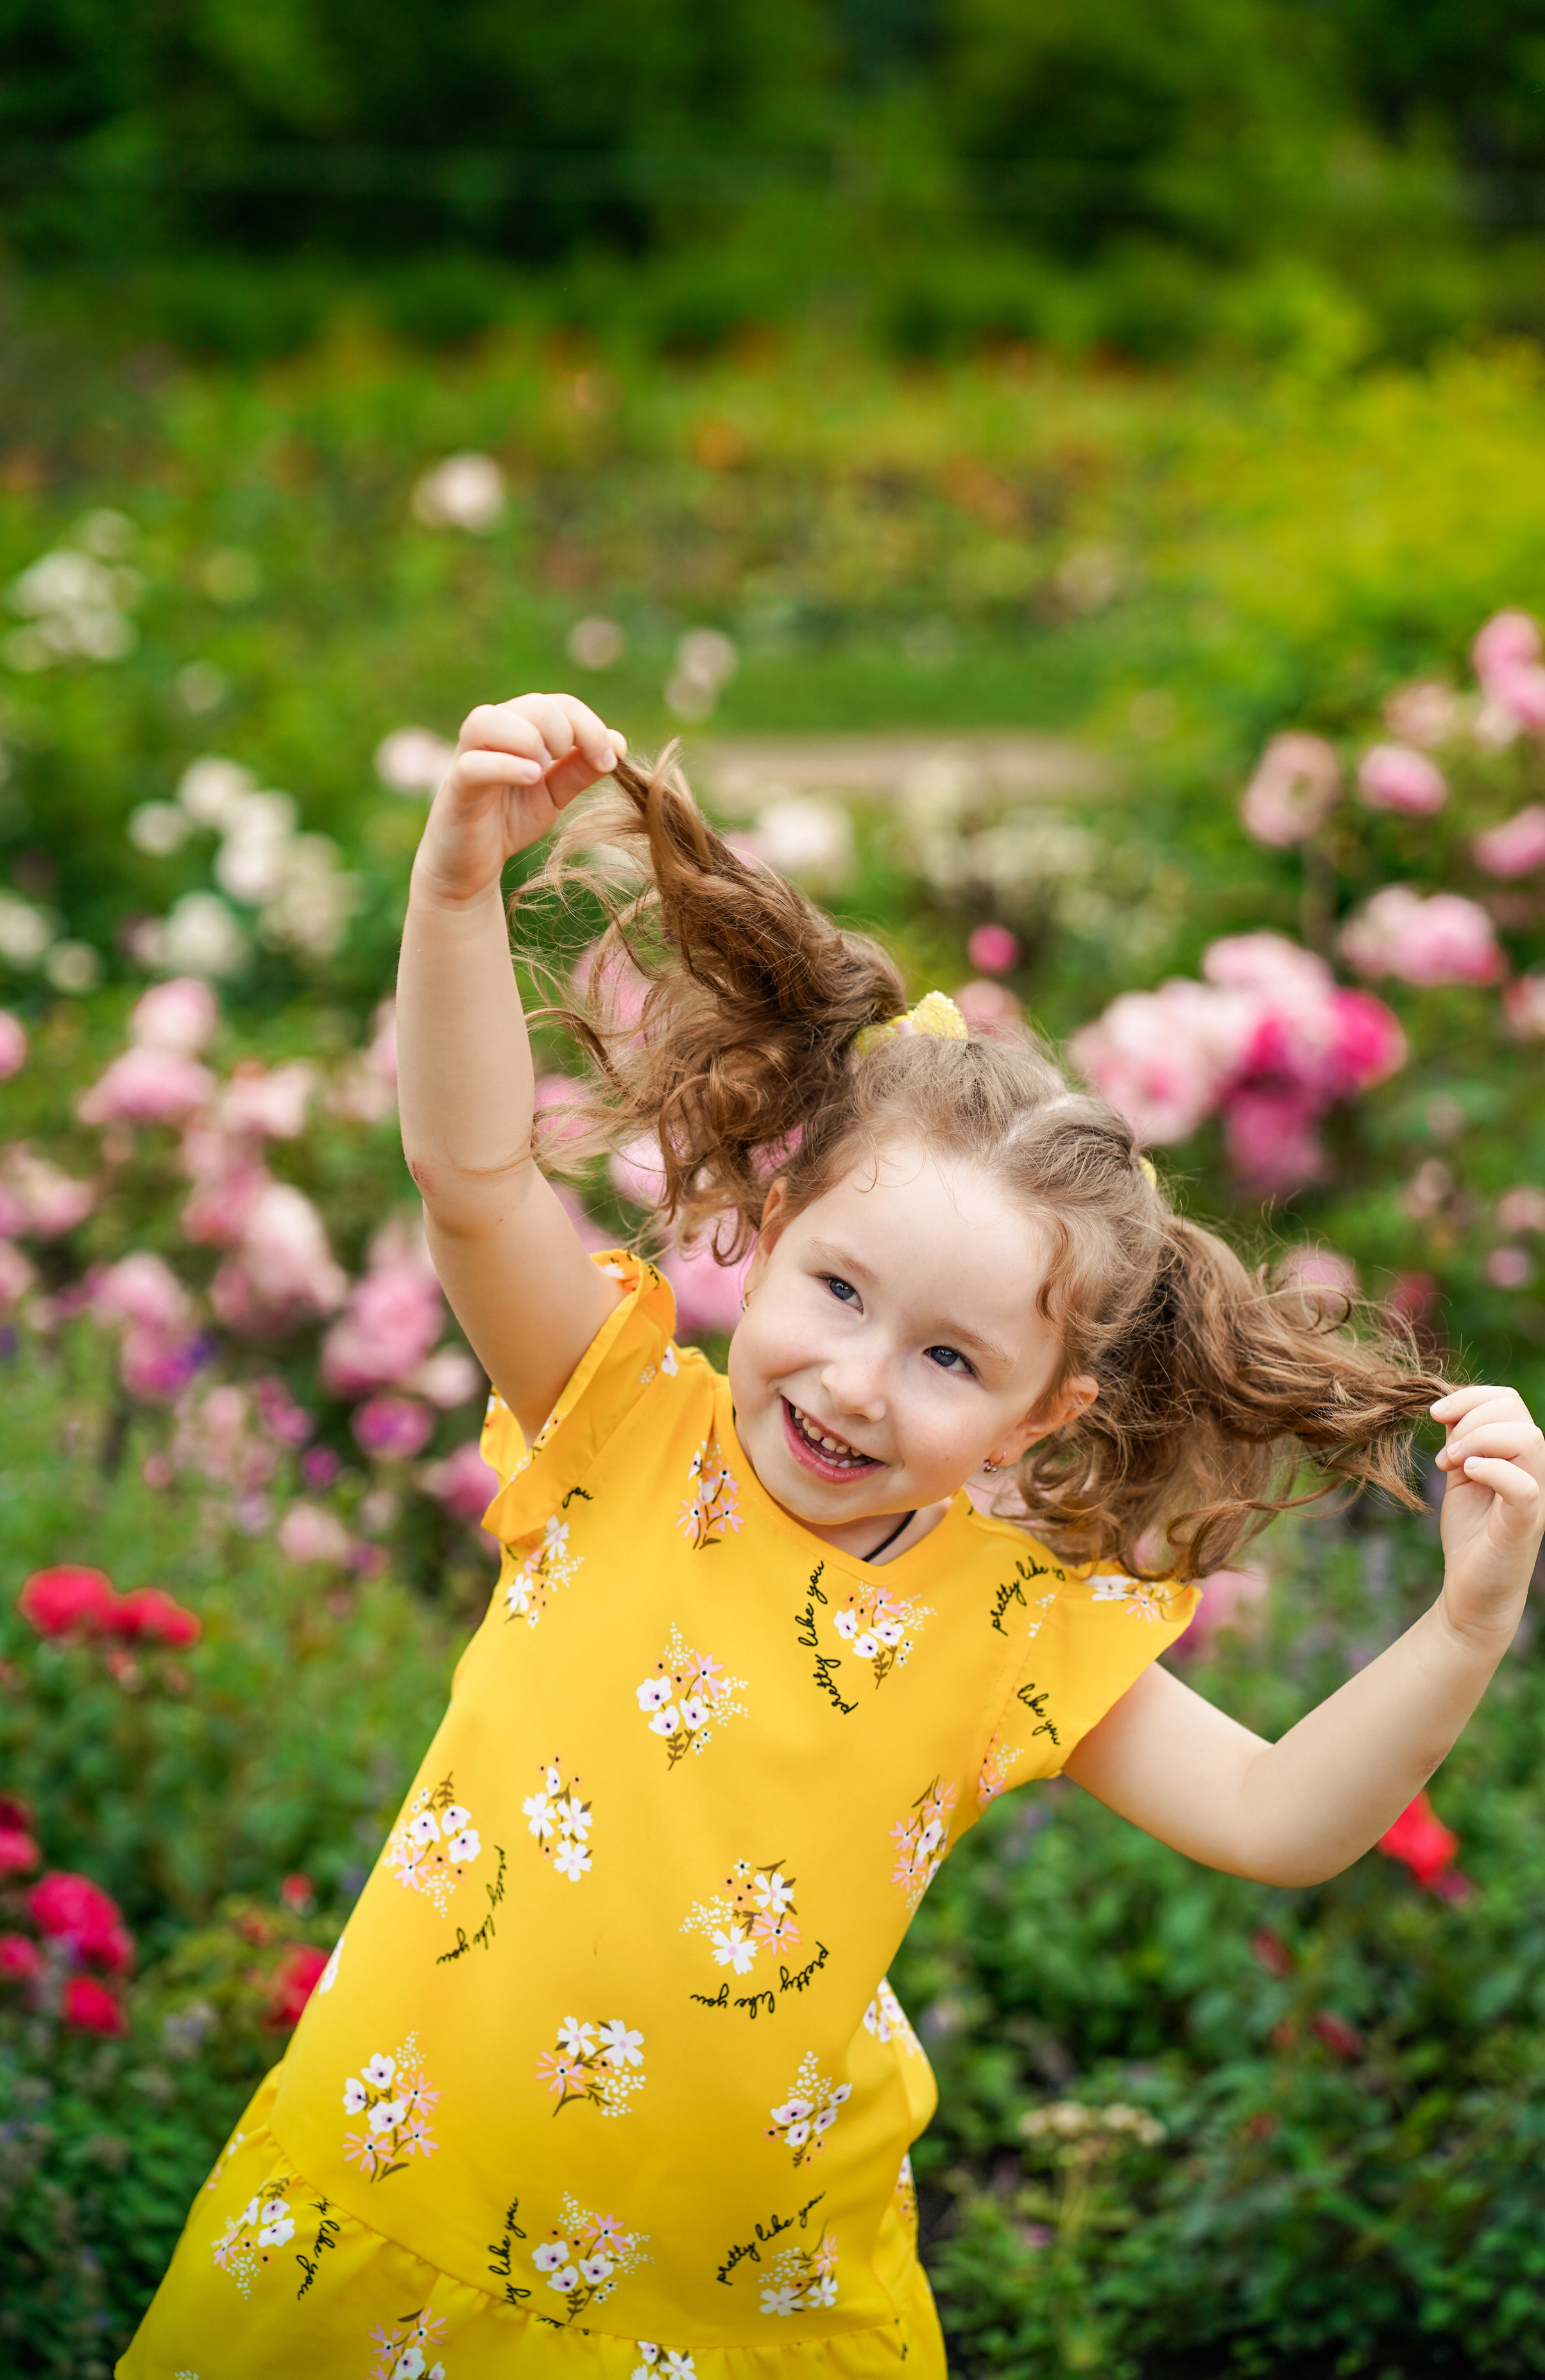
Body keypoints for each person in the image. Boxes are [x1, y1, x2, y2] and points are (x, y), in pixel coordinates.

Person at [121, 693, 1545, 2380]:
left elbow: (1276, 1816)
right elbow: (473, 1176)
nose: (860, 1383)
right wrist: (453, 898)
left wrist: (1459, 1629)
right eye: (841, 1293)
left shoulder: (1011, 1626)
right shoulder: (617, 1430)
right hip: (396, 2204)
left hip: (728, 2314)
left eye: (951, 1359)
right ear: (773, 1232)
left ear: (1044, 1414)